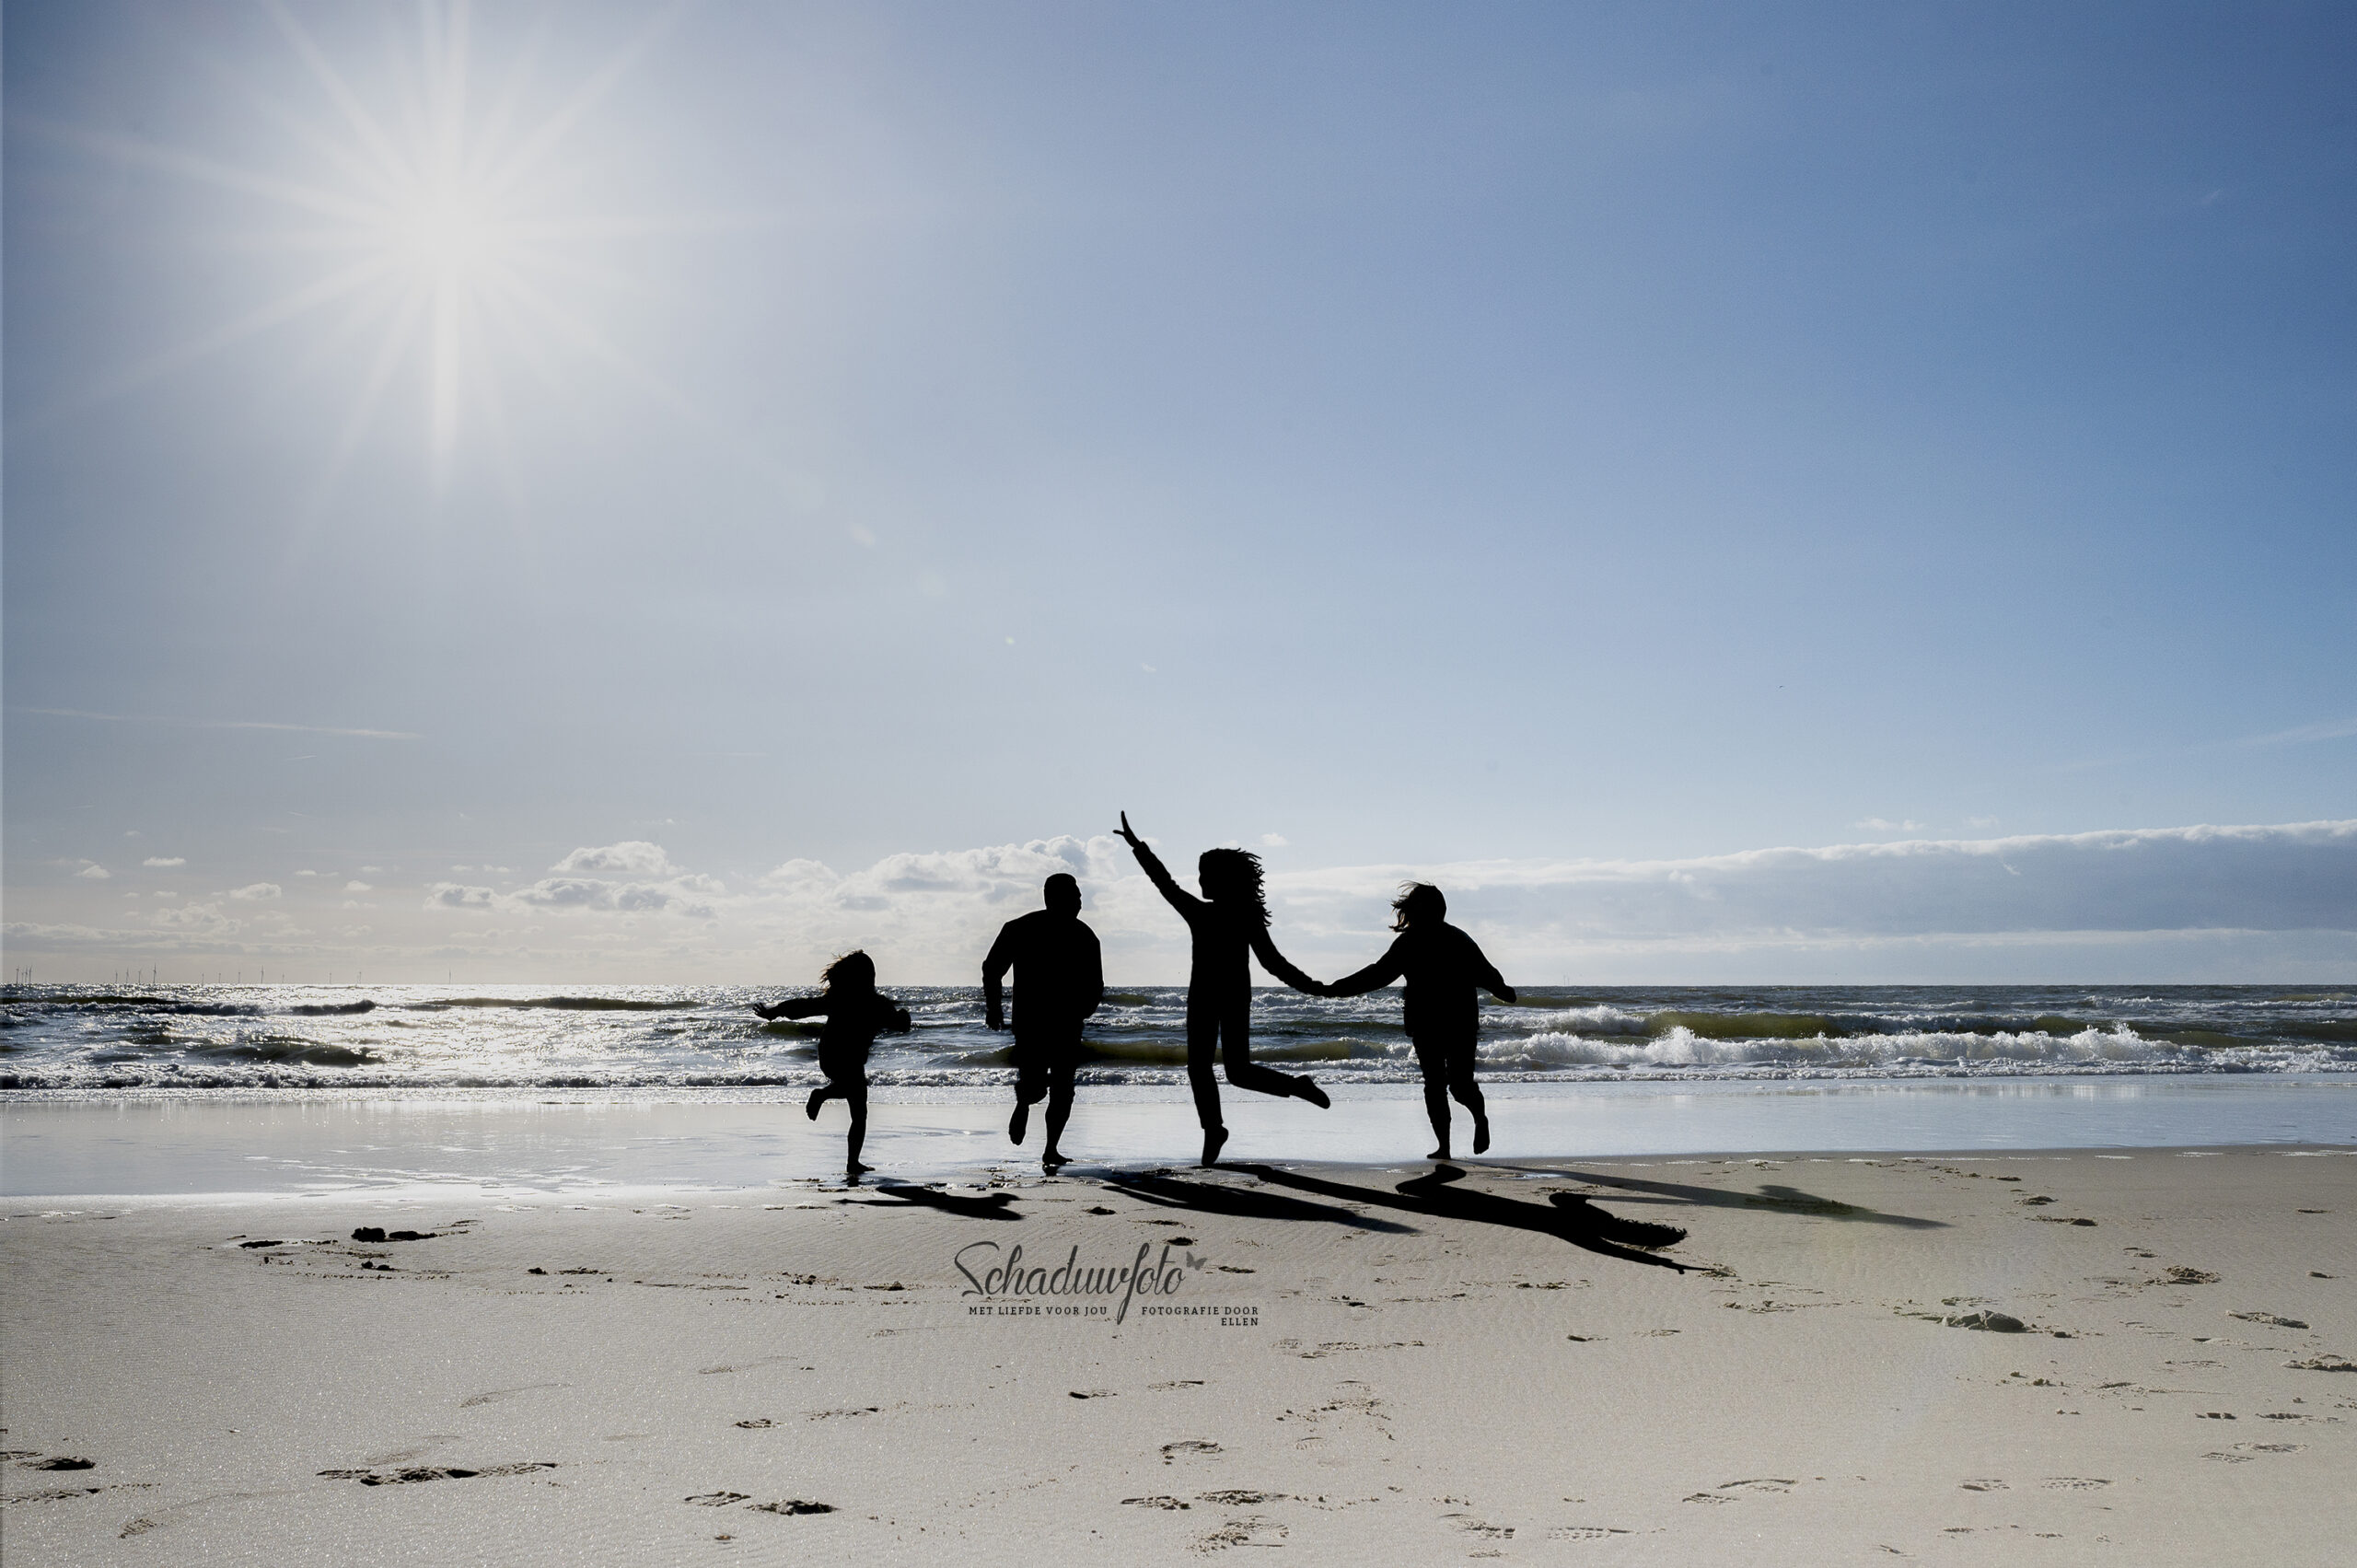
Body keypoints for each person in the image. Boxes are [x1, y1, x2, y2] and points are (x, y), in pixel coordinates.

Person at [1115, 811, 1330, 1167]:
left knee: (1226, 1071)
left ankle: (1294, 1087)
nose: (1199, 881)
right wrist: (1139, 848)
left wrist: (1312, 986)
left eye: (1205, 875)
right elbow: (1164, 882)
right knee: (1218, 1070)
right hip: (1221, 996)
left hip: (1214, 997)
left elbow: (1272, 961)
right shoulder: (1228, 914)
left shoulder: (1213, 914)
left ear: (1223, 879)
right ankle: (1215, 1128)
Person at [1322, 883, 1515, 1159]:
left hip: (1451, 1023)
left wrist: (1502, 989)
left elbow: (1484, 971)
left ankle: (1478, 1120)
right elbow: (1378, 974)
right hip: (1436, 1024)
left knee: (1455, 1086)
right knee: (1438, 1085)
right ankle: (1445, 1147)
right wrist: (1339, 988)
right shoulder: (1420, 941)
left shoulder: (1447, 940)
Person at [982, 872, 1105, 1172]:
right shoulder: (1020, 928)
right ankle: (1024, 1103)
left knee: (1064, 1089)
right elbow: (992, 968)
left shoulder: (1085, 935)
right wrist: (993, 1009)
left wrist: (1086, 1009)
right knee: (1037, 1085)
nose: (1079, 901)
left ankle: (1051, 1149)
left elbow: (1096, 983)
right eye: (1074, 895)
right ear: (1053, 898)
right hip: (1033, 1022)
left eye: (1079, 895)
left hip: (1063, 1022)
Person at [752, 950, 911, 1179]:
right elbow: (900, 1025)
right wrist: (904, 1016)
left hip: (832, 1056)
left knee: (860, 1112)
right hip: (840, 1057)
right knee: (857, 1103)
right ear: (870, 976)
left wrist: (774, 1013)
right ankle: (821, 1096)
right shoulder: (876, 1003)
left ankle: (853, 1163)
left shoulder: (843, 999)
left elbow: (802, 1007)